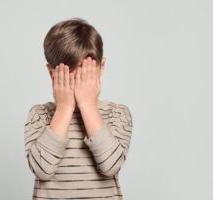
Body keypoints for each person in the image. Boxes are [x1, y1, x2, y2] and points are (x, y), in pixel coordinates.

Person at [23, 17, 133, 200]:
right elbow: (42, 169)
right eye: (71, 79)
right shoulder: (39, 115)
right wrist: (65, 108)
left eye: (85, 77)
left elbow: (110, 165)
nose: (79, 87)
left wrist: (87, 105)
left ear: (101, 67)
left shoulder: (118, 114)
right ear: (52, 73)